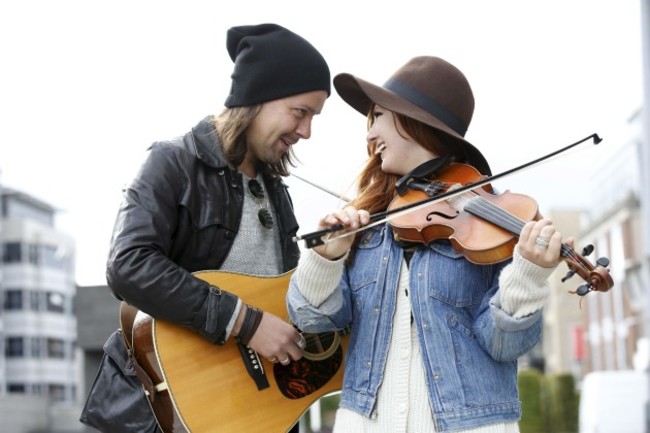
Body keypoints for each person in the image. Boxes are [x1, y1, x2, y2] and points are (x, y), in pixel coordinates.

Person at [286, 56, 568, 432]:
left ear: (412, 120)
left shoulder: (491, 219)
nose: (369, 135)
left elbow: (502, 344)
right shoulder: (366, 220)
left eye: (378, 117)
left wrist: (528, 276)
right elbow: (312, 321)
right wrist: (325, 258)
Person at [80, 23, 330, 433]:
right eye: (300, 112)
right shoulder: (171, 162)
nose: (306, 131)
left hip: (253, 411)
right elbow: (127, 265)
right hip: (172, 412)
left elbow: (282, 299)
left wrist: (330, 258)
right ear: (257, 98)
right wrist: (246, 323)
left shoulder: (276, 190)